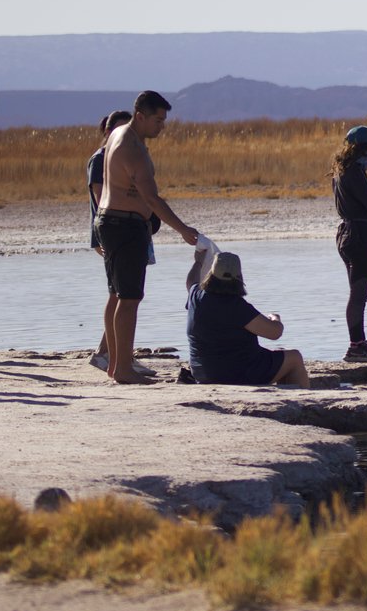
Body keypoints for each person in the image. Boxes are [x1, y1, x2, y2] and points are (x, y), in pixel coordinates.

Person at [97, 91, 200, 384]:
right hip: (124, 226)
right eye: (158, 120)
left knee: (119, 295)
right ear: (140, 116)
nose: (162, 126)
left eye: (164, 120)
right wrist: (183, 229)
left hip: (111, 222)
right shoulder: (132, 148)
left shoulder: (119, 134)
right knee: (130, 298)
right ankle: (123, 369)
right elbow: (152, 199)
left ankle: (115, 364)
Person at [87, 109, 154, 376]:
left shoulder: (129, 151)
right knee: (120, 294)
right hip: (115, 230)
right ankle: (109, 354)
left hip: (130, 228)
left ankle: (119, 356)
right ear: (108, 131)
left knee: (124, 292)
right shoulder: (101, 157)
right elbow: (101, 197)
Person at [184, 249, 310, 388]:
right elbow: (275, 333)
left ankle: (287, 395)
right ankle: (303, 399)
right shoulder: (237, 307)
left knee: (279, 355)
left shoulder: (196, 296)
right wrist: (276, 319)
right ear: (239, 276)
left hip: (203, 373)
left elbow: (191, 281)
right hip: (238, 375)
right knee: (294, 357)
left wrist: (198, 262)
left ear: (211, 274)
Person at [331, 124, 367, 362]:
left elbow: (357, 206)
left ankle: (359, 343)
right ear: (360, 149)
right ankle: (356, 346)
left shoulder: (339, 171)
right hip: (359, 238)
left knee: (357, 293)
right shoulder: (354, 172)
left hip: (347, 236)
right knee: (359, 295)